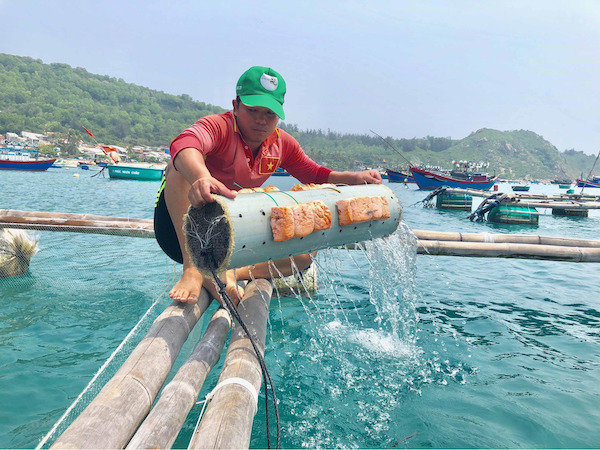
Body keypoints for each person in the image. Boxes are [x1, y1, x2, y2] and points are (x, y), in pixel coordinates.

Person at [154, 66, 381, 306]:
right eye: (252, 110)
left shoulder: (282, 143)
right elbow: (186, 142)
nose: (261, 120)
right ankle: (193, 270)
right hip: (178, 230)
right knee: (176, 168)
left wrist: (353, 178)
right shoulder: (219, 126)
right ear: (236, 105)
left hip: (229, 234)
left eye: (270, 113)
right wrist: (201, 176)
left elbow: (313, 173)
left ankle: (231, 273)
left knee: (304, 256)